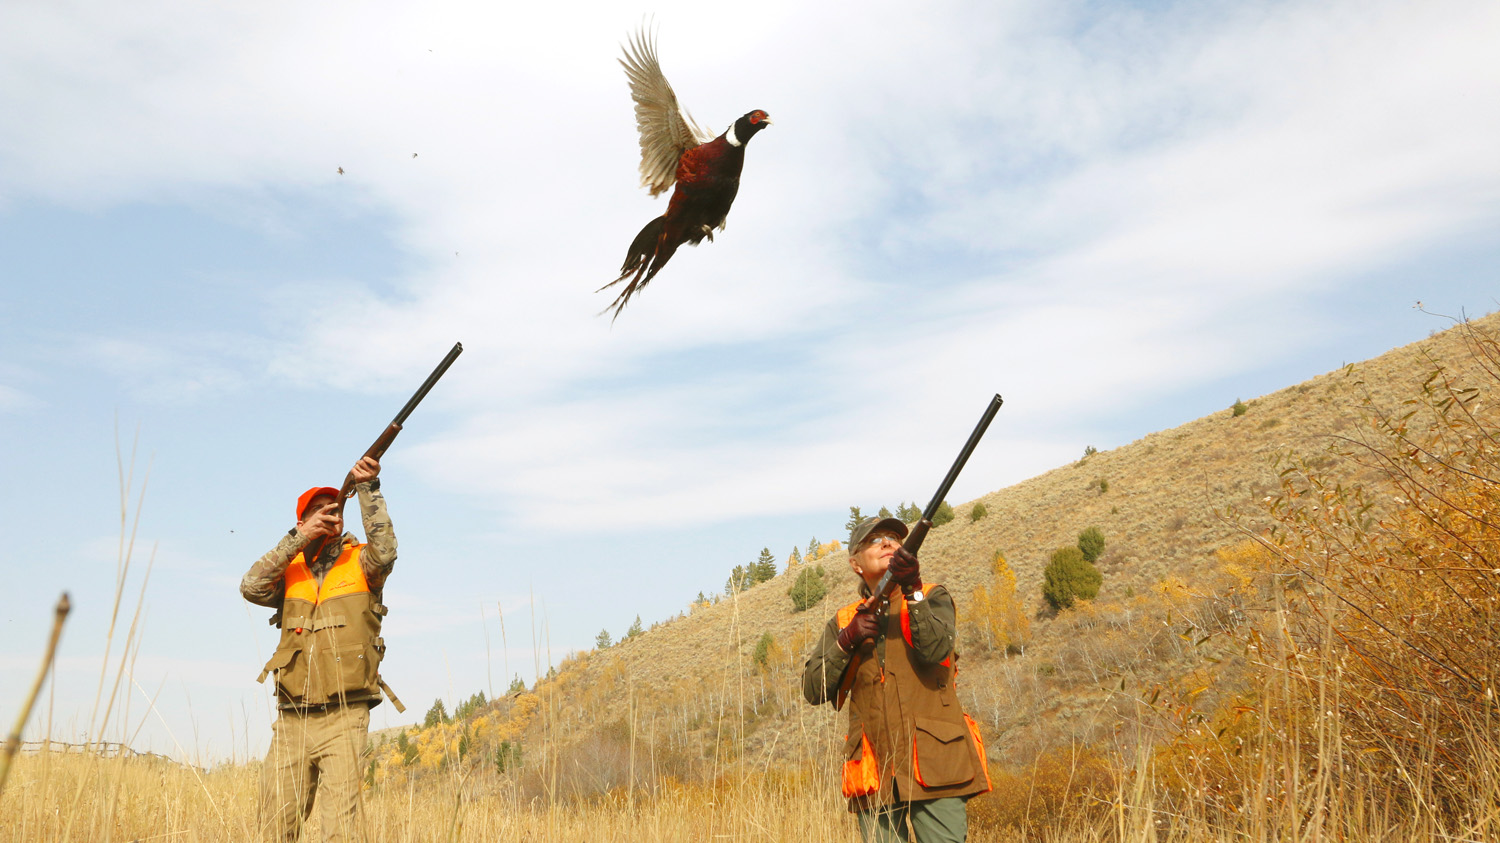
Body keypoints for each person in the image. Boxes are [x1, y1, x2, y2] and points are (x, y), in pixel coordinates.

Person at [240, 457, 405, 843]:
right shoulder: (289, 570)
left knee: (340, 832)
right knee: (273, 828)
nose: (328, 516)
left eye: (333, 509)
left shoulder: (361, 561)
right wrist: (298, 539)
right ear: (301, 523)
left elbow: (386, 552)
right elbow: (250, 586)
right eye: (318, 511)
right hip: (291, 719)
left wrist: (368, 489)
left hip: (345, 717)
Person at [802, 516, 991, 843]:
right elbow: (813, 689)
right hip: (874, 769)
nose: (889, 543)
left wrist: (912, 590)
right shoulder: (844, 621)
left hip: (935, 760)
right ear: (855, 564)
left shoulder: (932, 596)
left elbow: (935, 650)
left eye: (894, 537)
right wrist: (846, 641)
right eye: (875, 540)